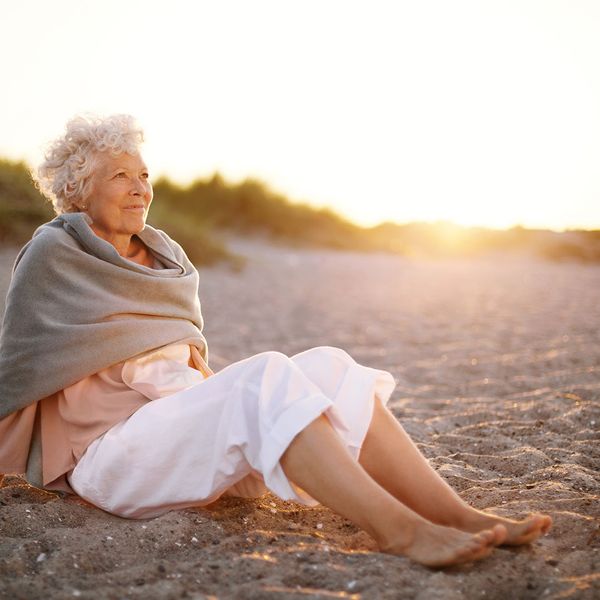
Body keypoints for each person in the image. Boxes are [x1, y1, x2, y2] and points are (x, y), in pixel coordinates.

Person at [0, 114, 551, 567]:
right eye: (120, 175)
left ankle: (459, 515)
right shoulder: (55, 254)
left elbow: (180, 370)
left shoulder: (164, 255)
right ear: (77, 187)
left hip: (170, 433)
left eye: (144, 174)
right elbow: (20, 362)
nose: (140, 187)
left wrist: (239, 414)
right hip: (109, 457)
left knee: (329, 366)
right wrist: (242, 409)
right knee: (264, 376)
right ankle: (403, 532)